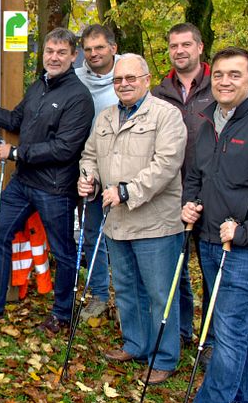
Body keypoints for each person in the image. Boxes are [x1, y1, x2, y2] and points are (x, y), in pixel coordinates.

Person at [0, 27, 94, 334]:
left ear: (74, 56)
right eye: (50, 52)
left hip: (55, 188)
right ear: (43, 54)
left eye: (61, 53)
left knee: (63, 252)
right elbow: (15, 120)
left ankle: (62, 314)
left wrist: (16, 153)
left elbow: (64, 148)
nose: (54, 58)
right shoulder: (39, 86)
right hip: (24, 183)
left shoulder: (79, 97)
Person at [78, 53, 186, 385]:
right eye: (118, 80)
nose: (123, 84)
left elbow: (167, 164)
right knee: (125, 288)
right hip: (116, 221)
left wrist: (126, 191)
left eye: (130, 78)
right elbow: (90, 154)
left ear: (146, 79)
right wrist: (89, 178)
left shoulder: (166, 115)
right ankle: (135, 344)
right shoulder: (107, 116)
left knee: (158, 292)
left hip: (155, 221)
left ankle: (164, 357)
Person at [181, 47, 248, 403]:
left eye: (235, 75)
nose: (225, 81)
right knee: (235, 328)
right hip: (209, 240)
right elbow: (196, 175)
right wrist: (188, 204)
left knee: (228, 331)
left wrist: (244, 232)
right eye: (219, 74)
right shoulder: (208, 122)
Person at [152, 22, 214, 349]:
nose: (180, 51)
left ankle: (210, 339)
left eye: (186, 44)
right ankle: (181, 331)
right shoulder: (161, 92)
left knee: (210, 269)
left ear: (200, 47)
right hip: (173, 191)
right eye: (174, 45)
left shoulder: (218, 86)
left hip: (213, 192)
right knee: (178, 268)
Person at [74, 23, 119, 321]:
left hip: (124, 175)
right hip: (87, 173)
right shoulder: (76, 79)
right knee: (92, 235)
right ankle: (100, 294)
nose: (93, 54)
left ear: (113, 48)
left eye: (99, 47)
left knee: (126, 238)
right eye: (88, 49)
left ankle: (128, 300)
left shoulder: (128, 76)